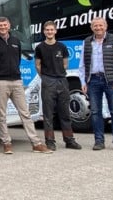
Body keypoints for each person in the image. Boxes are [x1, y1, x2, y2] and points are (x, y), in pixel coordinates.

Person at [0, 16, 51, 154]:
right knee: (1, 115)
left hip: (17, 81)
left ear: (9, 26)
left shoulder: (16, 41)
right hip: (1, 82)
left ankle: (36, 143)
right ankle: (6, 143)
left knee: (25, 113)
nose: (2, 27)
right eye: (0, 25)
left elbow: (17, 59)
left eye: (5, 25)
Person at [77, 17, 113, 151]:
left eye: (101, 25)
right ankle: (99, 141)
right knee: (95, 112)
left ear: (105, 27)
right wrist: (83, 81)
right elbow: (82, 65)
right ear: (92, 28)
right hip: (93, 81)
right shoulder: (87, 42)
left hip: (112, 81)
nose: (98, 28)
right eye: (95, 26)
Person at [34, 21, 82, 151]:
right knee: (48, 113)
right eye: (47, 30)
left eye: (51, 30)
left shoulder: (62, 47)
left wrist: (59, 73)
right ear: (44, 32)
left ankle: (69, 140)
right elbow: (38, 65)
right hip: (48, 81)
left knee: (65, 112)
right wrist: (44, 77)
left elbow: (65, 64)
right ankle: (50, 141)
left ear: (55, 31)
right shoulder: (40, 47)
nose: (49, 32)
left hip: (62, 80)